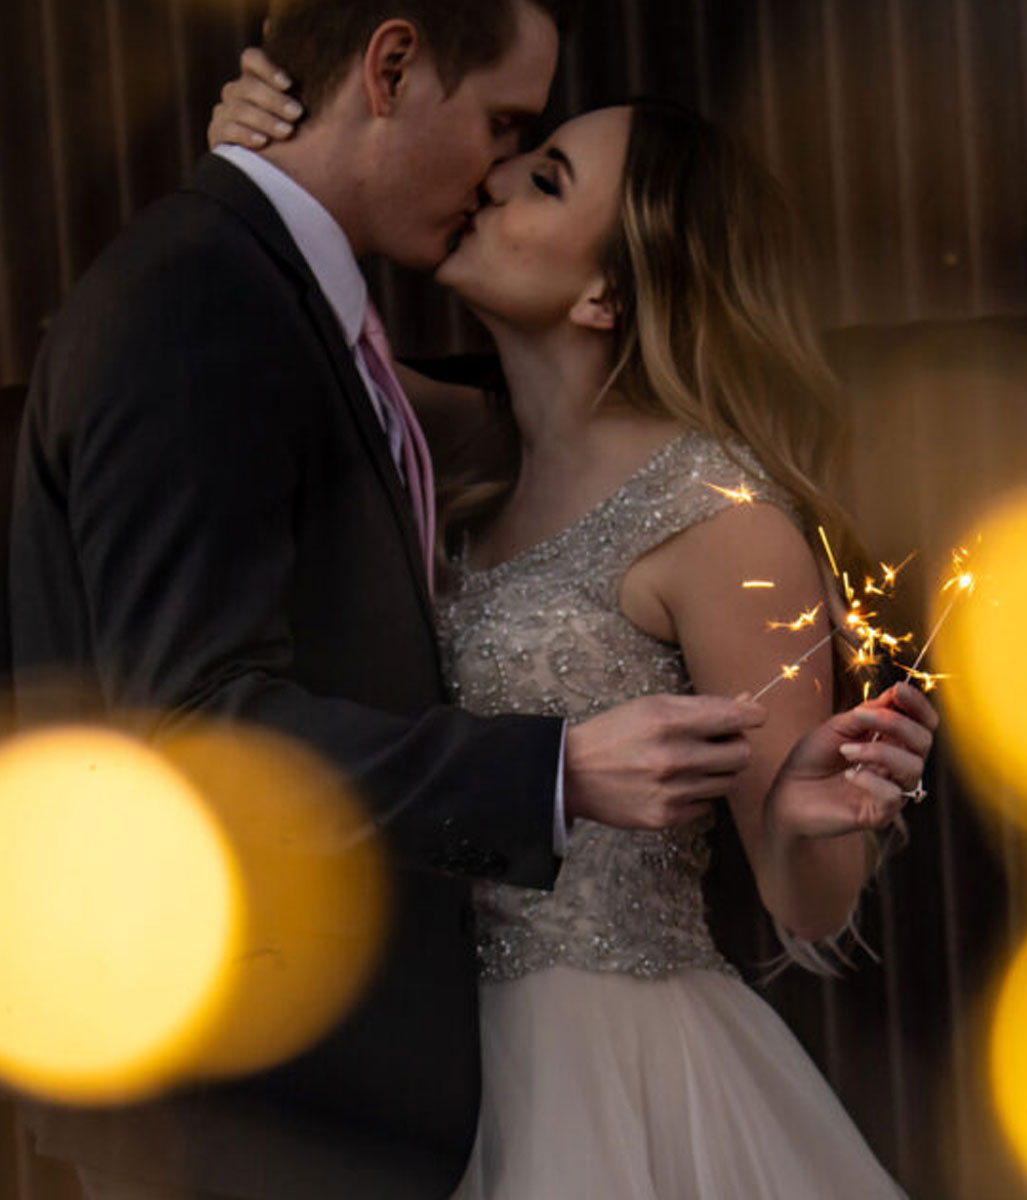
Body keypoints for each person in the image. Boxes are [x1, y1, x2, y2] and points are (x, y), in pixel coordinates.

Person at [8, 4, 794, 1199]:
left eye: (535, 162)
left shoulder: (372, 373)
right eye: (504, 126)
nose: (492, 176)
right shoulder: (205, 301)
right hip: (246, 1104)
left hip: (440, 1092)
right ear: (390, 65)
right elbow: (195, 730)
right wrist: (554, 773)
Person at [210, 53, 939, 1198]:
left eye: (545, 180)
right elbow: (277, 329)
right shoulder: (447, 453)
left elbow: (806, 901)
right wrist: (256, 167)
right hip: (420, 1065)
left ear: (607, 293)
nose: (493, 181)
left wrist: (808, 819)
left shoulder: (719, 517)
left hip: (612, 1068)